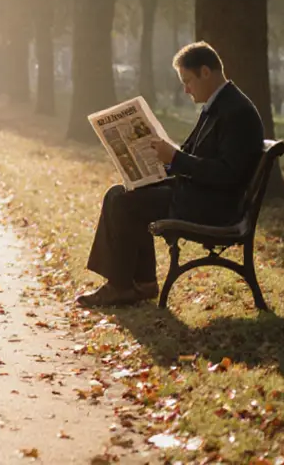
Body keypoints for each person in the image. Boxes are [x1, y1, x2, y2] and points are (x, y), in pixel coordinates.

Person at [76, 42, 265, 307]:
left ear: (205, 72)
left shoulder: (237, 112)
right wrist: (157, 161)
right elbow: (192, 153)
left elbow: (228, 173)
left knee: (122, 202)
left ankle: (122, 286)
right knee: (122, 192)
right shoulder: (220, 104)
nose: (186, 89)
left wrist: (175, 158)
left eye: (188, 81)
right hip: (197, 194)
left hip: (213, 206)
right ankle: (141, 283)